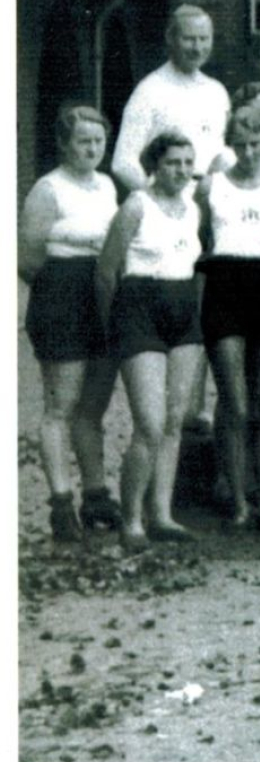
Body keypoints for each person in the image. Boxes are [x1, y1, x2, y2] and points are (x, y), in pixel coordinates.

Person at [96, 130, 206, 549]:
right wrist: (112, 327)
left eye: (186, 162)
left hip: (181, 312)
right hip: (138, 309)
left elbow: (194, 267)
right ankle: (131, 520)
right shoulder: (136, 205)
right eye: (173, 162)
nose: (181, 170)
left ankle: (162, 514)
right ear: (155, 166)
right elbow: (107, 272)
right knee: (150, 423)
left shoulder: (192, 209)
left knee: (175, 421)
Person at [20, 103, 123, 540]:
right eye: (83, 141)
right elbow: (28, 259)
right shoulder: (48, 189)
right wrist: (63, 288)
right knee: (60, 407)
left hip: (101, 295)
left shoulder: (107, 187)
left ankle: (96, 495)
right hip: (60, 296)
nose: (92, 149)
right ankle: (61, 505)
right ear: (64, 143)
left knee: (93, 408)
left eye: (98, 141)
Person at [195, 107, 260, 530]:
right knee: (234, 403)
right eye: (240, 144)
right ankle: (238, 500)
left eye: (256, 143)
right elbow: (201, 241)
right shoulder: (212, 185)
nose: (249, 151)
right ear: (230, 144)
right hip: (225, 284)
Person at [111, 5, 230, 190]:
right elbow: (122, 163)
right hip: (171, 195)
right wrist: (154, 199)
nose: (198, 48)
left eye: (204, 39)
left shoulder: (217, 92)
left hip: (215, 197)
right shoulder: (149, 91)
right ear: (170, 38)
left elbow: (225, 152)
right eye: (189, 39)